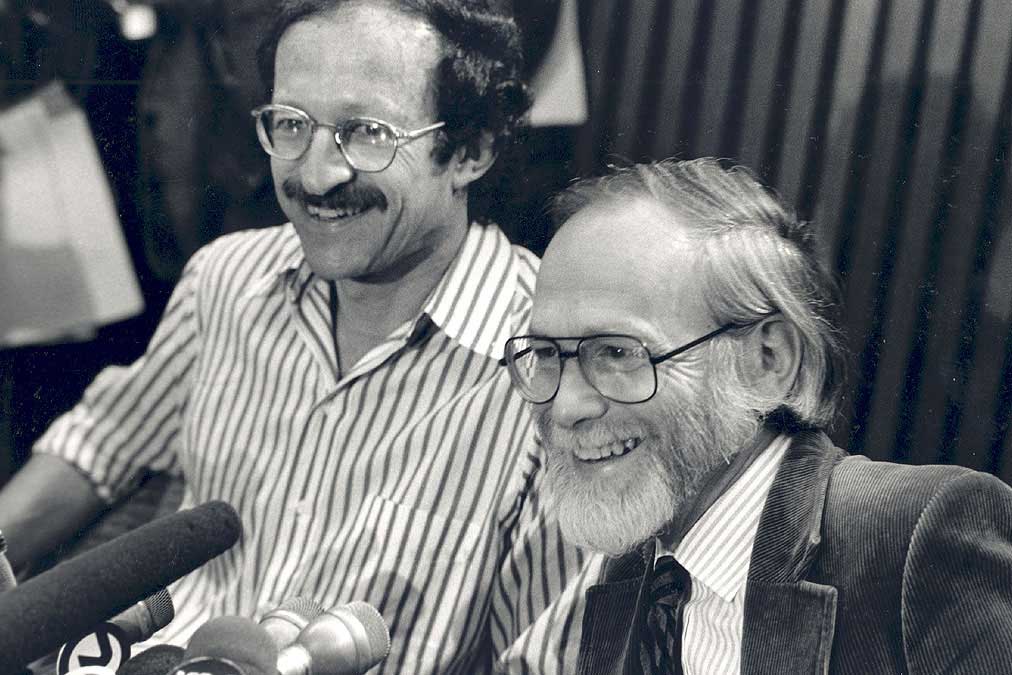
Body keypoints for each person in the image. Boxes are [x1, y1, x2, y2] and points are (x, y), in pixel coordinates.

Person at [0, 1, 593, 672]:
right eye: (290, 125)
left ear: (470, 151)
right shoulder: (224, 279)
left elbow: (544, 657)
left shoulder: (557, 377)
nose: (314, 176)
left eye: (366, 134)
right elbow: (98, 446)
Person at [501, 157, 1012, 674]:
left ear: (768, 362)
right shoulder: (633, 568)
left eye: (618, 353)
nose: (565, 406)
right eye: (545, 354)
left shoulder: (916, 537)